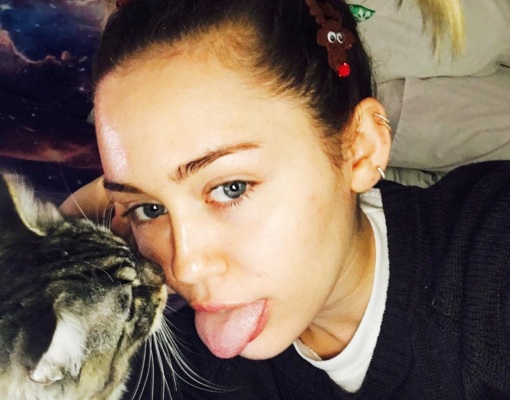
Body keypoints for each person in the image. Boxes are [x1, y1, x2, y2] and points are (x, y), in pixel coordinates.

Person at [60, 0, 510, 398]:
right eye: (150, 209)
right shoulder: (178, 372)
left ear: (360, 149)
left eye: (231, 188)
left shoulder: (491, 254)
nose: (185, 267)